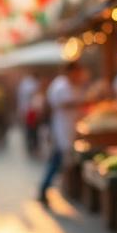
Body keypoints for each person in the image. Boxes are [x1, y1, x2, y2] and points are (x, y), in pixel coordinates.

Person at [37, 62, 87, 205]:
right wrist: (82, 102)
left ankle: (62, 189)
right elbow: (63, 103)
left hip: (69, 127)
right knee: (57, 160)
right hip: (61, 128)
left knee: (61, 160)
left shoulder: (72, 85)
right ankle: (44, 189)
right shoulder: (61, 85)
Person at [17, 71, 41, 156]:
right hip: (30, 111)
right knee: (31, 129)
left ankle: (33, 146)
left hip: (32, 110)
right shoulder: (28, 84)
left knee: (33, 130)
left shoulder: (27, 83)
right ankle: (32, 146)